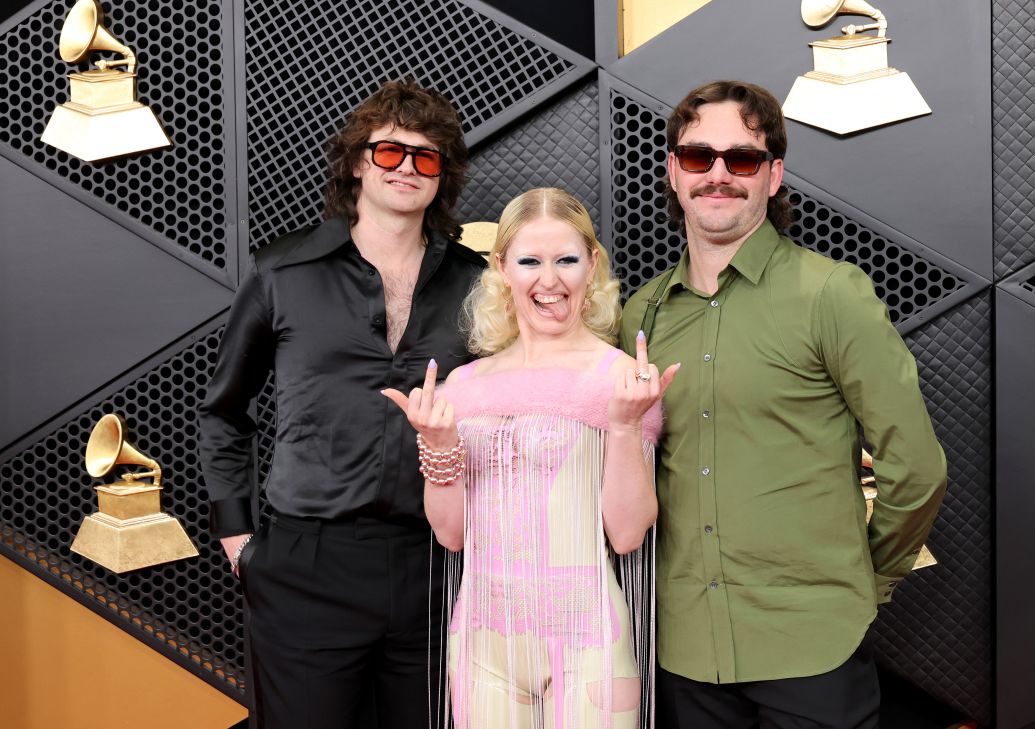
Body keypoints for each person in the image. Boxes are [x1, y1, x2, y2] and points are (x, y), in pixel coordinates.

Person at [619, 80, 948, 728]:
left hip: (813, 649)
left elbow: (915, 466)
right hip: (684, 654)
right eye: (697, 157)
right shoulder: (641, 314)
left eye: (741, 159)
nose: (718, 174)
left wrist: (860, 581)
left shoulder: (830, 294)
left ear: (772, 175)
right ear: (672, 171)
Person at [198, 79, 485, 729]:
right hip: (307, 563)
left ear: (443, 174)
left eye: (426, 156)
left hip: (436, 566)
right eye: (389, 152)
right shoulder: (282, 272)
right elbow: (223, 412)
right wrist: (238, 535)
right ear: (357, 161)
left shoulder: (479, 285)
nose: (408, 167)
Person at [382, 187, 678, 728]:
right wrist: (439, 445)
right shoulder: (464, 387)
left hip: (589, 639)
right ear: (502, 268)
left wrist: (626, 422)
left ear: (592, 266)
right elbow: (451, 535)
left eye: (566, 259)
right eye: (530, 261)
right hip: (482, 643)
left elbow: (628, 532)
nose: (550, 280)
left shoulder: (621, 380)